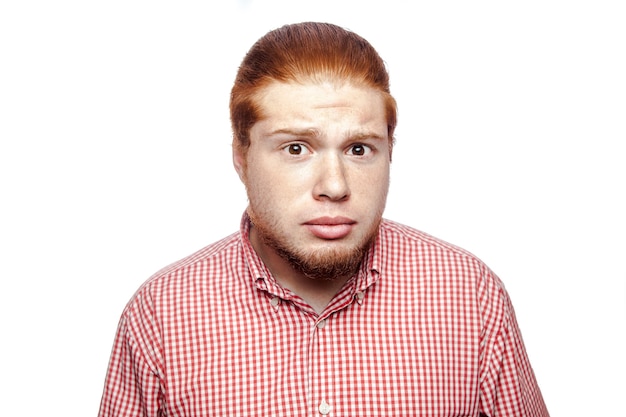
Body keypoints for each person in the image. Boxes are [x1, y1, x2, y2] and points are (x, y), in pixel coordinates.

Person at [98, 22, 549, 416]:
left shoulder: (471, 297)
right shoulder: (160, 315)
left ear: (391, 151)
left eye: (359, 149)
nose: (334, 186)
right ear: (241, 155)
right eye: (296, 148)